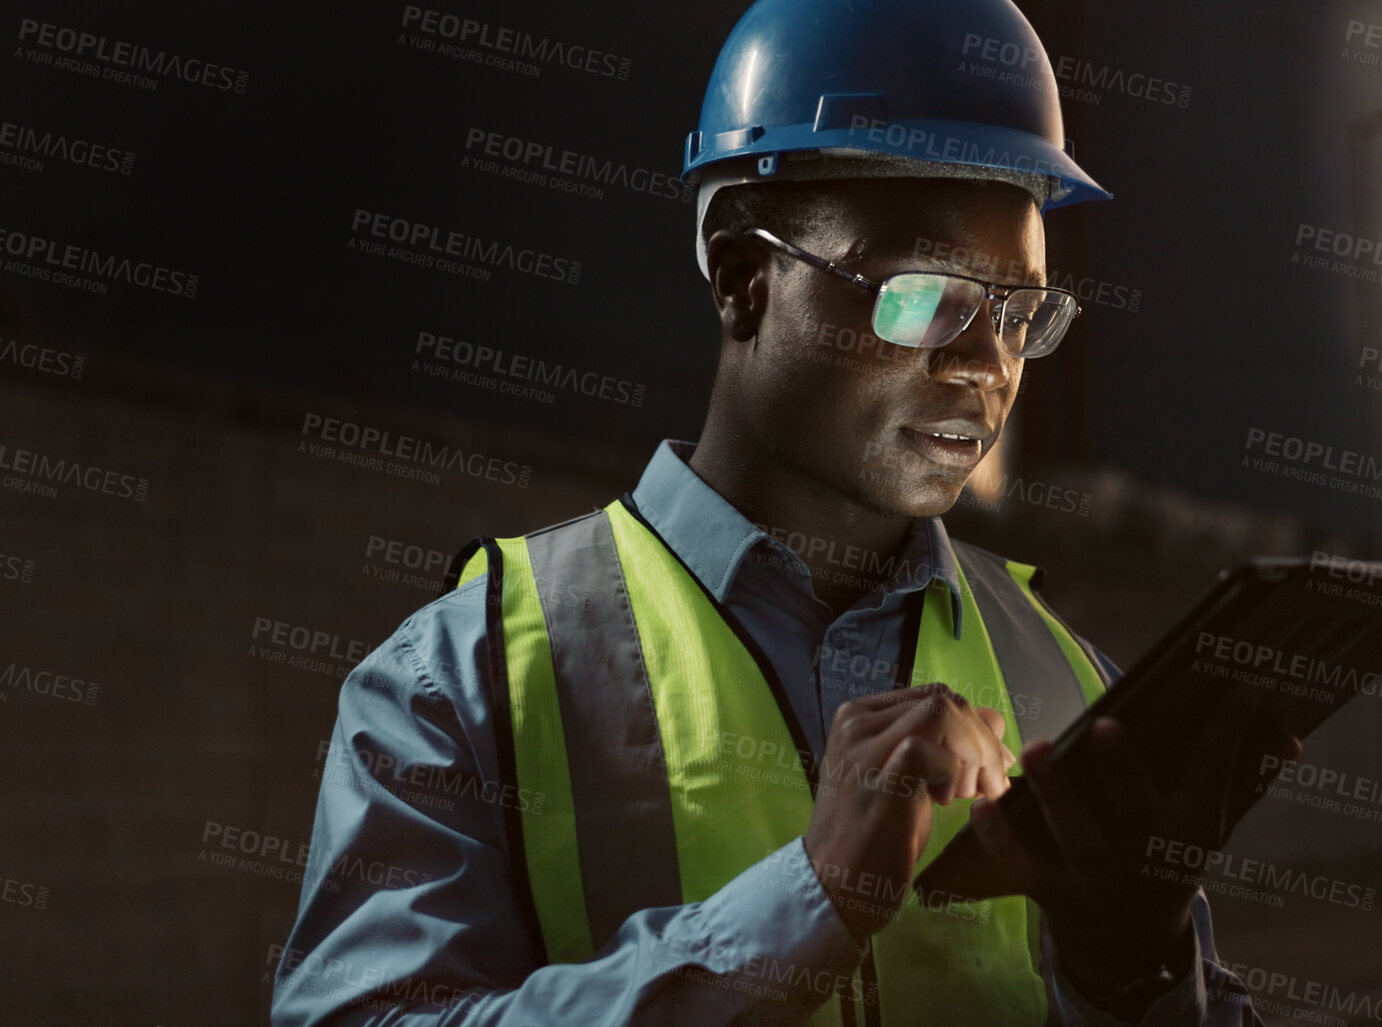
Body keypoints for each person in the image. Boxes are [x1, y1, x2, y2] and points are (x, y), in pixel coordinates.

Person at [272, 1, 1300, 1024]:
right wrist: (804, 906)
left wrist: (1138, 975)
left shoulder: (1073, 688)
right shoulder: (470, 674)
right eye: (924, 294)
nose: (987, 364)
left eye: (1018, 314)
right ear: (742, 279)